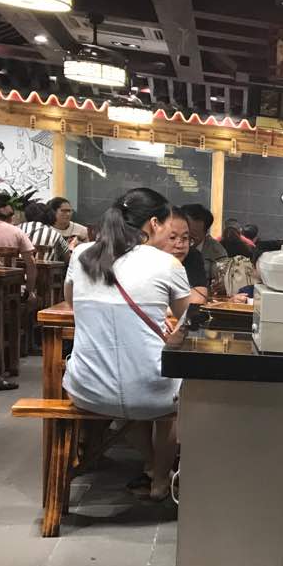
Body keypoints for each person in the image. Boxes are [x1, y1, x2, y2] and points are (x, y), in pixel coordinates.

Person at [63, 187, 190, 501]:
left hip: (87, 390)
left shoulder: (81, 254)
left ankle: (149, 463)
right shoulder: (167, 264)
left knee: (127, 392)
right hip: (151, 394)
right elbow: (188, 321)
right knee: (171, 391)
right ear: (154, 223)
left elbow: (71, 304)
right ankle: (160, 479)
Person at [0, 194, 37, 294]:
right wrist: (29, 291)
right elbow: (31, 264)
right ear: (11, 218)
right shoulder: (17, 232)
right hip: (6, 289)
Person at [181, 204, 227, 283]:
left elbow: (220, 282)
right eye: (183, 234)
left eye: (192, 236)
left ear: (205, 233)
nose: (186, 240)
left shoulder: (217, 252)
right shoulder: (165, 244)